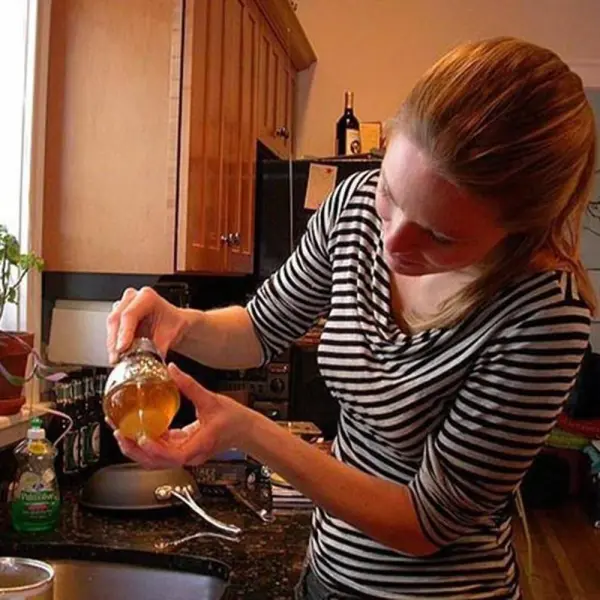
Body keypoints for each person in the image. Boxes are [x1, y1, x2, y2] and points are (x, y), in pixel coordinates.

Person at [106, 36, 596, 600]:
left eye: (440, 236)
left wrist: (247, 430)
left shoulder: (544, 311)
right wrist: (181, 322)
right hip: (326, 576)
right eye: (391, 193)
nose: (392, 243)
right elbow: (259, 329)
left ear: (520, 229)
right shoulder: (354, 206)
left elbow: (422, 524)